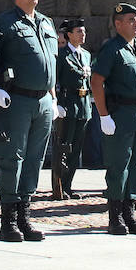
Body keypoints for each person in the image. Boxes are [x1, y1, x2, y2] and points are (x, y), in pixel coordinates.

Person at [0, 0, 60, 242]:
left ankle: (25, 215)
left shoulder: (46, 23)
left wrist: (53, 97)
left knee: (35, 159)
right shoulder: (5, 23)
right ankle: (8, 220)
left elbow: (50, 65)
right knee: (14, 157)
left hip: (43, 100)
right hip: (17, 99)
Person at [91, 3, 136, 235]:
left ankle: (130, 212)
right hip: (120, 115)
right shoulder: (112, 49)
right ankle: (115, 215)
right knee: (119, 165)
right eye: (130, 20)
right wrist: (103, 115)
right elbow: (96, 81)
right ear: (118, 24)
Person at [52, 18, 92, 200]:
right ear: (69, 35)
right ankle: (59, 184)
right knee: (64, 146)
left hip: (83, 105)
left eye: (83, 32)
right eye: (79, 32)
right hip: (68, 103)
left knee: (76, 148)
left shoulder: (86, 55)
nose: (83, 35)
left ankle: (69, 185)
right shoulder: (61, 55)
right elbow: (55, 80)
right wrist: (57, 102)